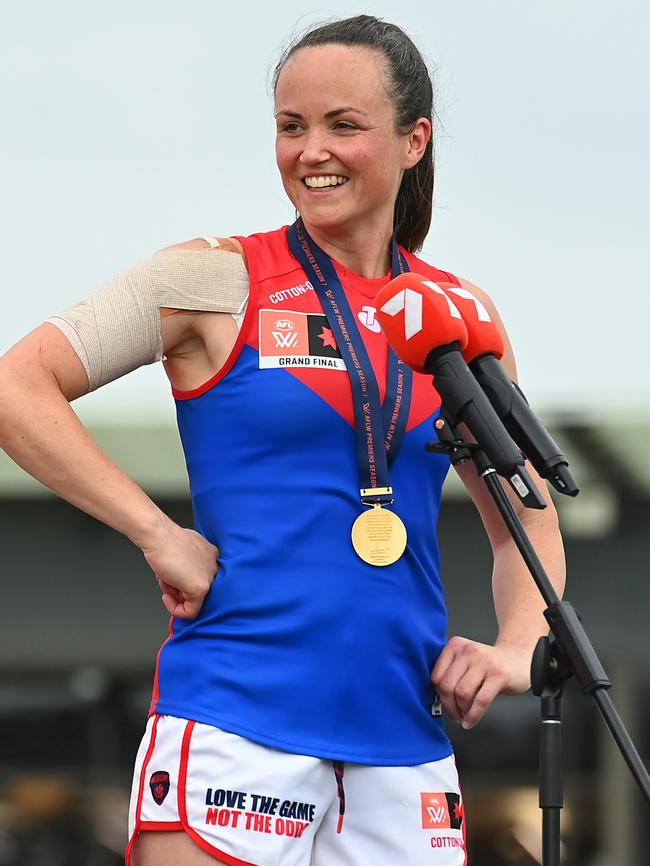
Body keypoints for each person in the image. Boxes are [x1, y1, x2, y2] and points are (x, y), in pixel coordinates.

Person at [0, 14, 565, 866]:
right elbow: (16, 386)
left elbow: (525, 512)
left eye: (344, 125)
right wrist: (158, 533)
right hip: (232, 717)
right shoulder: (211, 277)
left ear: (414, 142)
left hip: (402, 742)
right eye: (291, 126)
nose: (312, 152)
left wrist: (520, 642)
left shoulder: (457, 316)